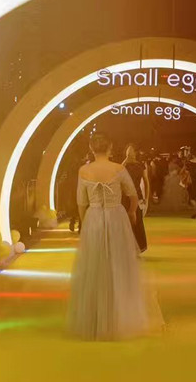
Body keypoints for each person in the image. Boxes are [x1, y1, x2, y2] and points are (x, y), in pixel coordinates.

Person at [69, 133, 163, 340]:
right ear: (110, 148)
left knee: (95, 266)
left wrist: (85, 222)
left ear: (92, 149)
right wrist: (131, 212)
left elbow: (81, 202)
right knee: (119, 265)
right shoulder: (118, 169)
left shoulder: (84, 170)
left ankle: (95, 320)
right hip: (116, 217)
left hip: (94, 218)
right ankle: (119, 317)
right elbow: (133, 195)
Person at [122, 144, 149, 252]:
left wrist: (147, 198)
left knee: (137, 221)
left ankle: (139, 246)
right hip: (125, 196)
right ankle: (127, 247)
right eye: (128, 151)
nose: (129, 153)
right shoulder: (124, 165)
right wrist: (125, 160)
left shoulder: (141, 165)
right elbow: (117, 173)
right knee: (125, 222)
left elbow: (146, 182)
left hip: (137, 195)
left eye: (131, 151)